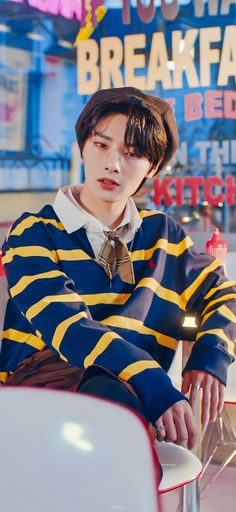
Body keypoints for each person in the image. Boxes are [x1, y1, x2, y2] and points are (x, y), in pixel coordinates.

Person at [1, 87, 235, 451]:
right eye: (101, 145)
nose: (113, 164)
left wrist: (210, 356)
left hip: (129, 402)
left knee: (119, 419)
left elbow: (224, 294)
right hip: (46, 392)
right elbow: (67, 326)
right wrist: (152, 380)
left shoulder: (163, 234)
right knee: (111, 412)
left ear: (152, 167)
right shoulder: (33, 232)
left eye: (133, 154)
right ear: (83, 145)